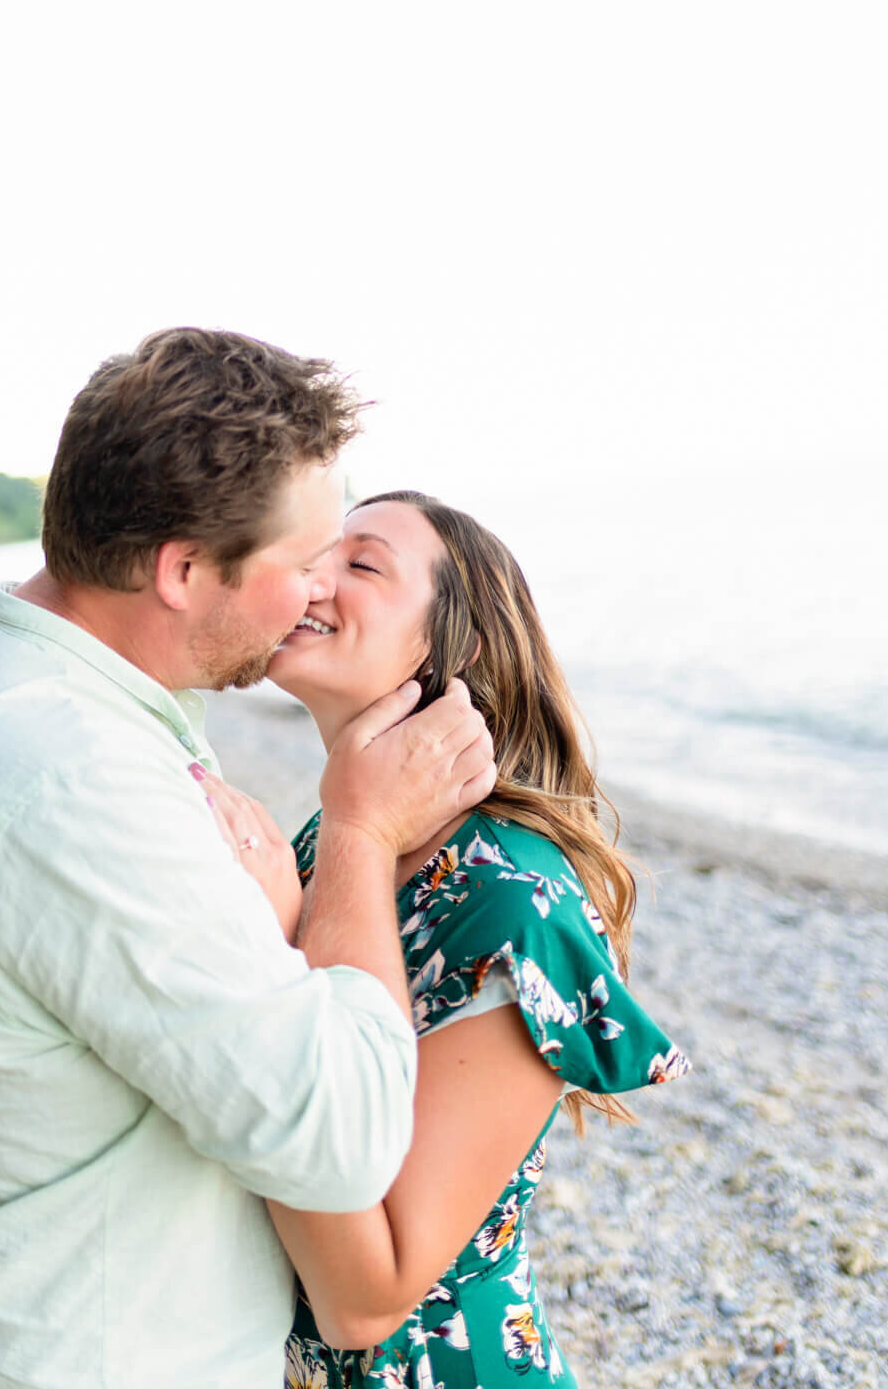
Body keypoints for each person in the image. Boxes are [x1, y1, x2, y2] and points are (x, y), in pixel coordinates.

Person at [0, 334, 496, 1389]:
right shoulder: (73, 776)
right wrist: (360, 834)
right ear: (183, 568)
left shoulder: (54, 682)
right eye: (300, 563)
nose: (310, 595)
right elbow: (341, 1135)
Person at [208, 488, 692, 1388]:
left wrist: (261, 952)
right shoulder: (333, 839)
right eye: (314, 556)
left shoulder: (513, 902)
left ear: (456, 646)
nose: (311, 579)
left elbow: (366, 1298)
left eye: (358, 565)